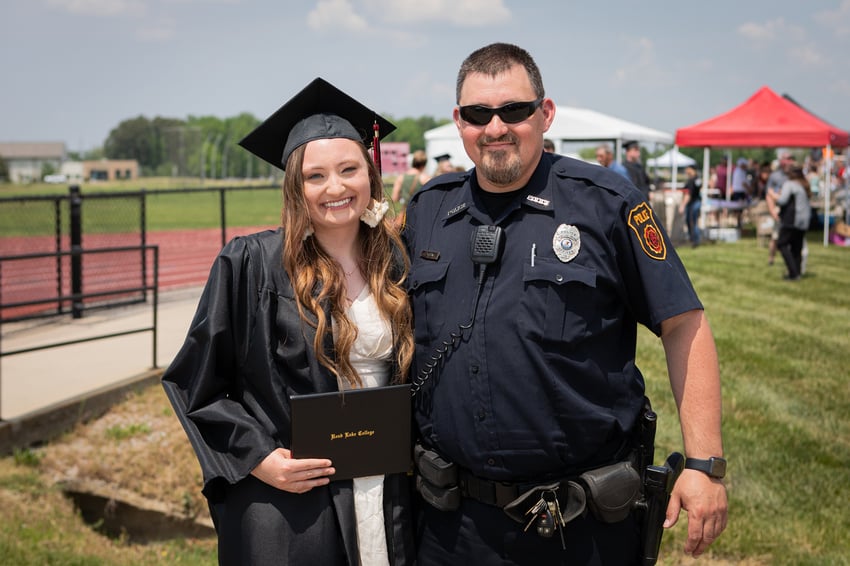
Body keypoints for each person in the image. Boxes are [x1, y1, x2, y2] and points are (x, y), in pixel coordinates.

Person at [403, 42, 727, 565]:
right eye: (478, 114)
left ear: (545, 113)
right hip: (452, 528)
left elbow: (684, 324)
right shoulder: (427, 212)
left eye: (514, 110)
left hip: (579, 529)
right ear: (459, 121)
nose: (496, 128)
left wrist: (704, 463)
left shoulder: (605, 204)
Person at [161, 78, 415, 566]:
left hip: (387, 491)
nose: (336, 188)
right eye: (315, 176)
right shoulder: (252, 264)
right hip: (298, 501)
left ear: (371, 174)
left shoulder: (396, 263)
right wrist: (258, 459)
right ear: (296, 188)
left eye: (349, 169)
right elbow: (197, 383)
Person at [766, 165, 811, 281]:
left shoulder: (790, 184)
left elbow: (782, 200)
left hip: (792, 219)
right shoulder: (804, 185)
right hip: (804, 221)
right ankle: (797, 272)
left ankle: (793, 272)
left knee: (782, 244)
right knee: (797, 247)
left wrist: (772, 195)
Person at [766, 152, 795, 266]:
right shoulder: (775, 176)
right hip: (779, 209)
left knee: (791, 238)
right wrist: (772, 210)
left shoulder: (794, 175)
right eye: (786, 159)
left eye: (790, 159)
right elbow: (769, 194)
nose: (788, 162)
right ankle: (771, 258)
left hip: (791, 211)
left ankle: (791, 261)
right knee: (775, 236)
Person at [391, 149, 430, 225]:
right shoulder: (425, 178)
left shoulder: (401, 177)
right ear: (424, 164)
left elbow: (394, 198)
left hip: (405, 214)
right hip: (421, 214)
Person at [678, 165, 703, 247]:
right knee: (692, 221)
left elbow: (688, 194)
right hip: (695, 202)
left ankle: (695, 240)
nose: (686, 171)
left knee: (692, 222)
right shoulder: (696, 180)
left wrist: (682, 205)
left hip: (693, 202)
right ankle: (694, 239)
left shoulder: (693, 180)